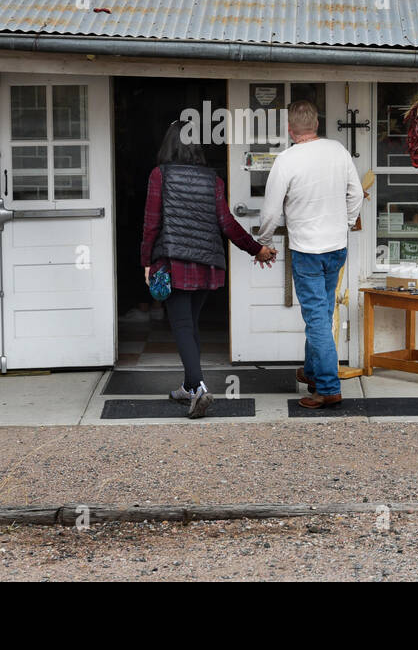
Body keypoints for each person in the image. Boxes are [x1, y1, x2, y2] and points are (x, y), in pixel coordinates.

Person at [142, 119, 276, 418]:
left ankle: (200, 389)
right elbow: (226, 223)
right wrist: (258, 249)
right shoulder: (212, 179)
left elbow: (151, 224)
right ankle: (189, 387)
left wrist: (147, 262)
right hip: (207, 265)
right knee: (190, 325)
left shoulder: (159, 175)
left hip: (174, 263)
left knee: (183, 327)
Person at [257, 100, 363, 409]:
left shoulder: (287, 160)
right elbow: (355, 194)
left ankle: (328, 388)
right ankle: (314, 370)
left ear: (290, 130)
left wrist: (263, 242)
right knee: (323, 311)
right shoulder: (338, 151)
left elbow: (271, 211)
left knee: (316, 317)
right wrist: (344, 222)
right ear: (316, 125)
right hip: (336, 247)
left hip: (306, 250)